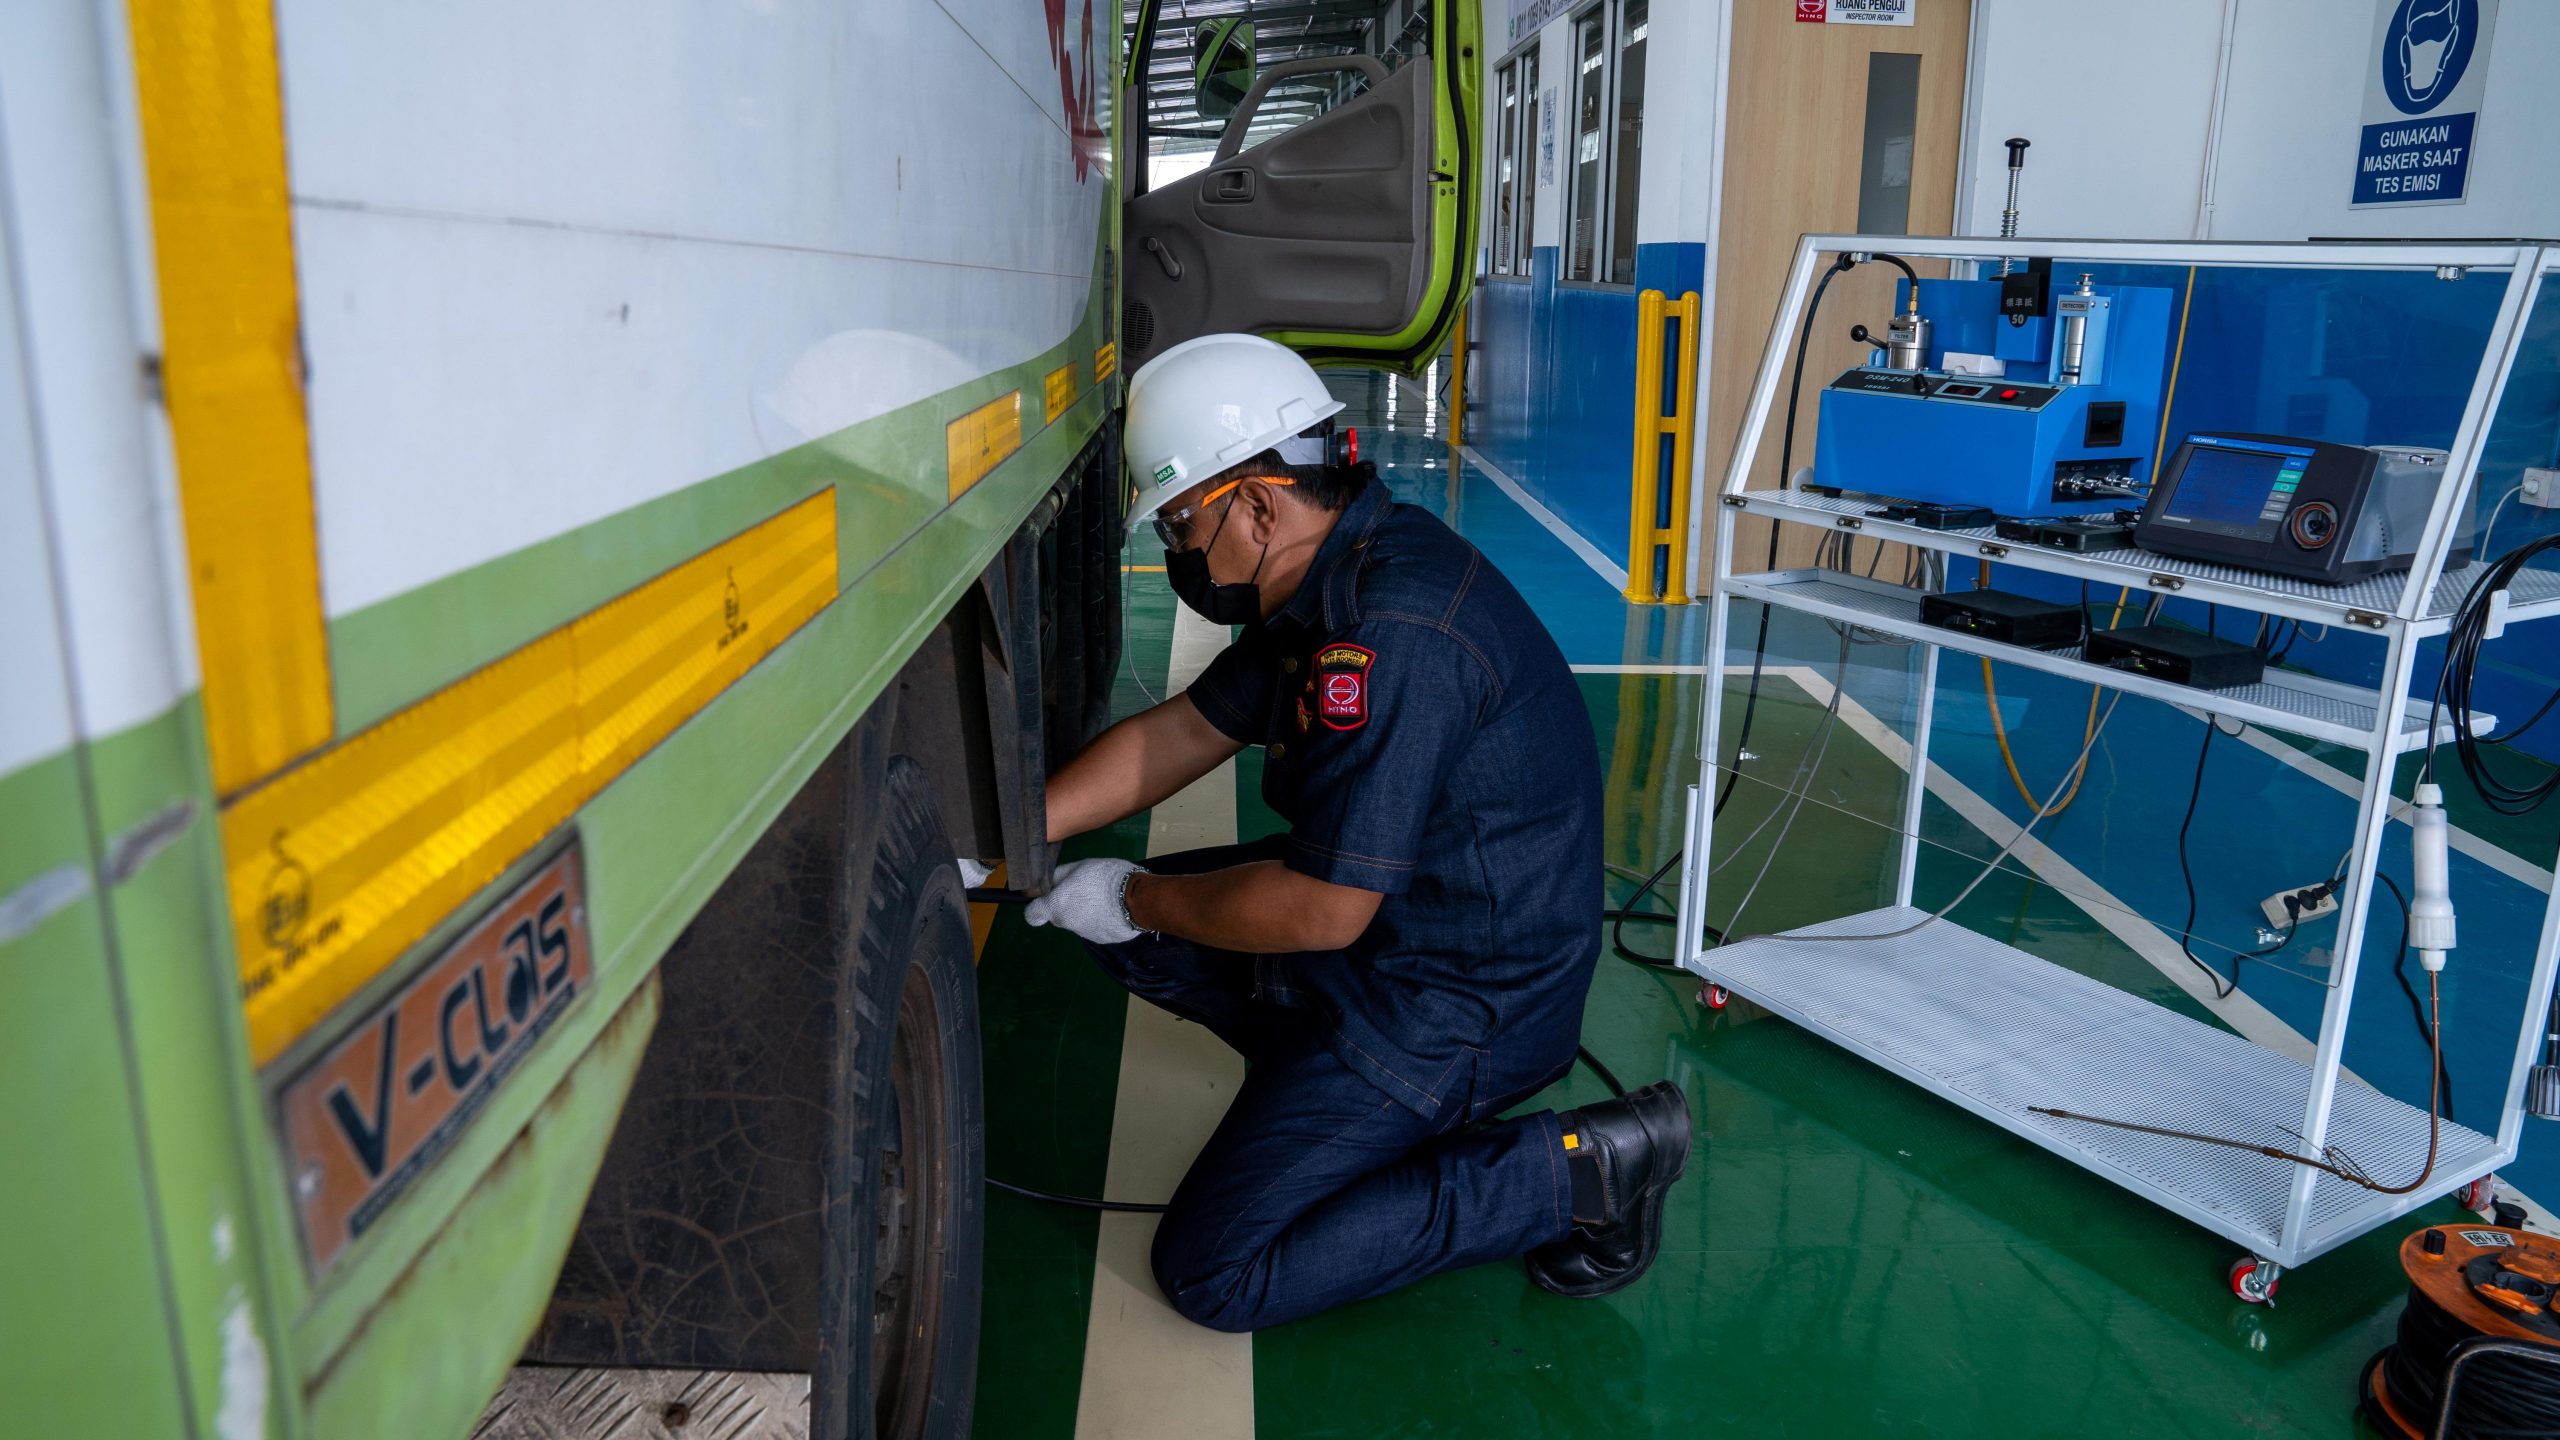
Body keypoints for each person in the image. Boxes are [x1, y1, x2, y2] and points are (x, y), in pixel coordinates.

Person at [1025, 332, 1693, 1332]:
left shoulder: (1391, 633)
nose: (1174, 552)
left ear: (1255, 502)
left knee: (1214, 1272)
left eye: (1176, 524)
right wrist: (1011, 831)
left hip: (1461, 1002)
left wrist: (1132, 895)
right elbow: (1185, 730)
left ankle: (1579, 1173)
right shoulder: (1336, 569)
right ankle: (1335, 1104)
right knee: (1146, 937)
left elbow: (1325, 908)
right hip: (1415, 935)